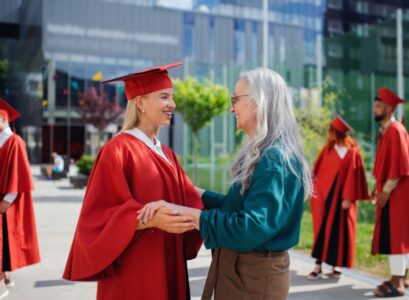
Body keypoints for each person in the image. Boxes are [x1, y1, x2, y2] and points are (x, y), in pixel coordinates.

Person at [139, 68, 311, 299]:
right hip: (246, 271)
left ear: (259, 101)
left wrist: (189, 214)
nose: (232, 108)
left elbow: (249, 228)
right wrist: (195, 194)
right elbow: (239, 206)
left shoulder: (274, 158)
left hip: (253, 277)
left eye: (236, 99)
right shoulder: (268, 153)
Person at [63, 62, 204, 300]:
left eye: (172, 97)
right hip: (135, 265)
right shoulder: (117, 150)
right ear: (139, 102)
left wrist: (232, 204)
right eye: (164, 97)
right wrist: (147, 219)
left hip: (169, 259)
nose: (172, 104)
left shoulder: (166, 153)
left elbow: (190, 196)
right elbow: (98, 215)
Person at [307, 115, 369, 280]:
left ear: (339, 133)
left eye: (332, 132)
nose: (330, 135)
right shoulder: (327, 150)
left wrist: (349, 198)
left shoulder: (352, 152)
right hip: (323, 198)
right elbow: (317, 172)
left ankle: (335, 266)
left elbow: (355, 177)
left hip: (341, 199)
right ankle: (317, 266)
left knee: (338, 231)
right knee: (320, 230)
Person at [0, 98, 41, 298]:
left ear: (4, 119)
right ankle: (5, 275)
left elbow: (19, 173)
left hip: (6, 199)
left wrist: (8, 199)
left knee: (5, 240)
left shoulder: (15, 141)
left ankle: (2, 281)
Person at [371, 88, 409, 298]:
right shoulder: (387, 130)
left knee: (395, 235)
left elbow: (400, 165)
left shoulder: (395, 130)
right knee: (399, 234)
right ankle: (401, 277)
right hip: (395, 192)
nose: (374, 110)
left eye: (378, 106)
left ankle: (398, 282)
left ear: (388, 108)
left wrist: (385, 192)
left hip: (398, 194)